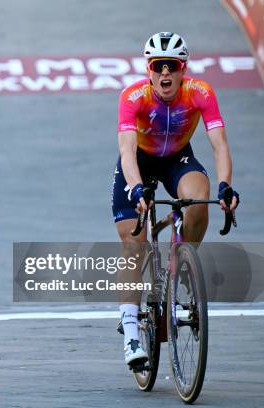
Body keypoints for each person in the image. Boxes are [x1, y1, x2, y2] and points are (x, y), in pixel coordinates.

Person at [112, 32, 239, 366]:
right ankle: (130, 329)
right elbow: (126, 152)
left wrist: (226, 186)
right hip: (139, 161)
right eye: (158, 66)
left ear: (184, 68)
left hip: (177, 159)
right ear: (148, 69)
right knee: (134, 242)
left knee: (198, 202)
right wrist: (137, 188)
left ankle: (181, 264)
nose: (165, 73)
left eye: (173, 66)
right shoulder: (133, 97)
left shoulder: (201, 93)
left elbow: (220, 145)